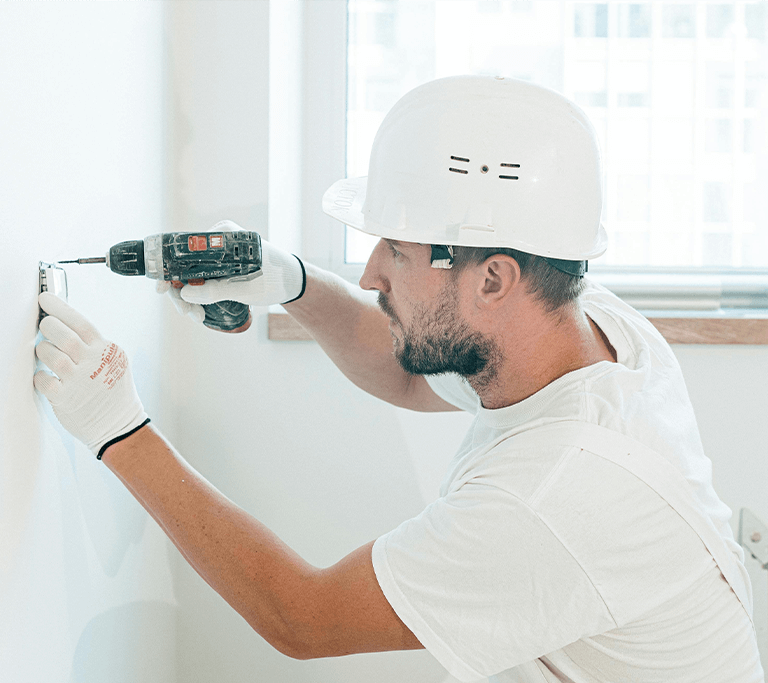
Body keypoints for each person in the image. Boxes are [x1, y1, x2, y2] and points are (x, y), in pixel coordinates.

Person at [34, 76, 764, 682]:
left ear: (493, 279)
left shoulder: (557, 496)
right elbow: (410, 369)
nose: (370, 271)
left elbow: (303, 616)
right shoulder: (583, 326)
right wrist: (292, 283)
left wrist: (118, 430)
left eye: (397, 251)